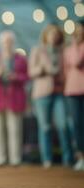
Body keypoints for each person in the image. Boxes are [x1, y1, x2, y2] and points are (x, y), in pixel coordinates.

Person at [29, 24, 72, 168]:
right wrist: (42, 69)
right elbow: (31, 72)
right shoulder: (38, 50)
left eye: (56, 34)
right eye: (51, 33)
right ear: (46, 35)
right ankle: (47, 159)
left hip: (59, 91)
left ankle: (68, 159)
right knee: (45, 127)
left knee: (63, 124)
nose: (54, 36)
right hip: (42, 93)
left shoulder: (63, 51)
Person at [0, 31, 28, 166]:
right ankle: (0, 159)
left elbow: (27, 76)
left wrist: (16, 77)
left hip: (15, 99)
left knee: (15, 129)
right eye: (5, 42)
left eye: (9, 41)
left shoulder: (20, 59)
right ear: (1, 43)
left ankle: (15, 159)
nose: (7, 44)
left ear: (13, 43)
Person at [63, 21, 84, 171]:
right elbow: (66, 70)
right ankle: (81, 157)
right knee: (77, 125)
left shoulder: (77, 48)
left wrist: (76, 45)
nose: (78, 31)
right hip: (72, 91)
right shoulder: (68, 49)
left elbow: (76, 62)